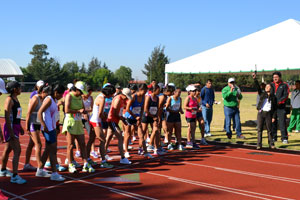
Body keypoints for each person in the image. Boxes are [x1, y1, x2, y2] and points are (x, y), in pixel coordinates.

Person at [62, 81, 95, 173]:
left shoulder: (80, 97)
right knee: (71, 145)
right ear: (76, 89)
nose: (81, 94)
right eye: (80, 92)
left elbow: (82, 108)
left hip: (78, 122)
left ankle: (85, 163)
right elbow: (66, 110)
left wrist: (84, 112)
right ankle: (70, 164)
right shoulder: (69, 96)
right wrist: (78, 111)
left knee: (82, 144)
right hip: (70, 122)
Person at [37, 84, 66, 181]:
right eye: (61, 94)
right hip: (48, 128)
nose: (62, 96)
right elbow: (39, 112)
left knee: (48, 149)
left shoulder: (54, 100)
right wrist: (44, 125)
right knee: (53, 151)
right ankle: (54, 174)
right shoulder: (49, 99)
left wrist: (56, 126)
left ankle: (40, 170)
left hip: (52, 127)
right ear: (56, 92)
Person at [1, 81, 26, 184]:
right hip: (10, 127)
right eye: (19, 87)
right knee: (17, 150)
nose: (21, 89)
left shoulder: (16, 99)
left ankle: (2, 170)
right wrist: (10, 132)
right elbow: (7, 116)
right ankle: (15, 176)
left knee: (8, 149)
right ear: (14, 89)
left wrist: (19, 127)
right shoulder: (9, 100)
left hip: (15, 126)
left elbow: (17, 115)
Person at [87, 85, 115, 168]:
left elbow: (99, 112)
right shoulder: (102, 98)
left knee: (91, 140)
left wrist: (103, 115)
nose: (112, 96)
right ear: (108, 93)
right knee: (102, 140)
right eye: (112, 94)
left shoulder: (99, 96)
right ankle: (103, 161)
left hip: (92, 120)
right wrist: (104, 117)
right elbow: (100, 114)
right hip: (96, 121)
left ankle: (87, 158)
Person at [124, 84, 152, 158]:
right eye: (144, 91)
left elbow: (142, 108)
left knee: (141, 135)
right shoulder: (133, 96)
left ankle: (144, 151)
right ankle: (126, 151)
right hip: (129, 117)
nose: (145, 93)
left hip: (137, 117)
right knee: (128, 134)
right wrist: (135, 116)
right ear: (140, 89)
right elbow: (127, 109)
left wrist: (140, 116)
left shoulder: (143, 97)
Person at [24, 84, 47, 172]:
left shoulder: (44, 99)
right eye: (47, 93)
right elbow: (29, 113)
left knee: (31, 144)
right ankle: (40, 167)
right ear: (42, 91)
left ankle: (26, 164)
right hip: (32, 123)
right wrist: (27, 126)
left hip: (37, 123)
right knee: (39, 144)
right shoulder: (35, 98)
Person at [107, 88, 132, 164]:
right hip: (112, 120)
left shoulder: (122, 99)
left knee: (108, 137)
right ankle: (122, 158)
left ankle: (103, 153)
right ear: (123, 95)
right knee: (120, 137)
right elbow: (114, 113)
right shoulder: (118, 99)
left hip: (115, 120)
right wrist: (122, 119)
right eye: (127, 97)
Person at [252, 73, 276, 149]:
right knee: (259, 129)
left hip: (268, 113)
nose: (266, 87)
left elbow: (275, 108)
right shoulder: (262, 94)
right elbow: (258, 87)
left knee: (269, 130)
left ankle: (271, 144)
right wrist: (255, 79)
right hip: (261, 113)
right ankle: (259, 144)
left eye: (268, 86)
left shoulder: (273, 97)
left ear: (271, 88)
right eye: (266, 86)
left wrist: (273, 117)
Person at [143, 84, 162, 155]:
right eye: (158, 90)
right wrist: (152, 116)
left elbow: (158, 108)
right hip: (146, 116)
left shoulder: (157, 98)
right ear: (154, 90)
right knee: (143, 132)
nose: (159, 91)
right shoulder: (148, 97)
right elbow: (145, 109)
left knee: (156, 130)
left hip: (153, 116)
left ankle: (156, 148)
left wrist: (157, 117)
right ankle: (141, 147)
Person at [270, 71, 289, 143]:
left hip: (281, 107)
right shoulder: (271, 85)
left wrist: (279, 102)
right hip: (273, 107)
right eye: (274, 77)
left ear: (280, 77)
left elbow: (285, 95)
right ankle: (274, 137)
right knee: (273, 122)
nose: (275, 79)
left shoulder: (284, 85)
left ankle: (284, 138)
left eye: (276, 77)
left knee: (282, 123)